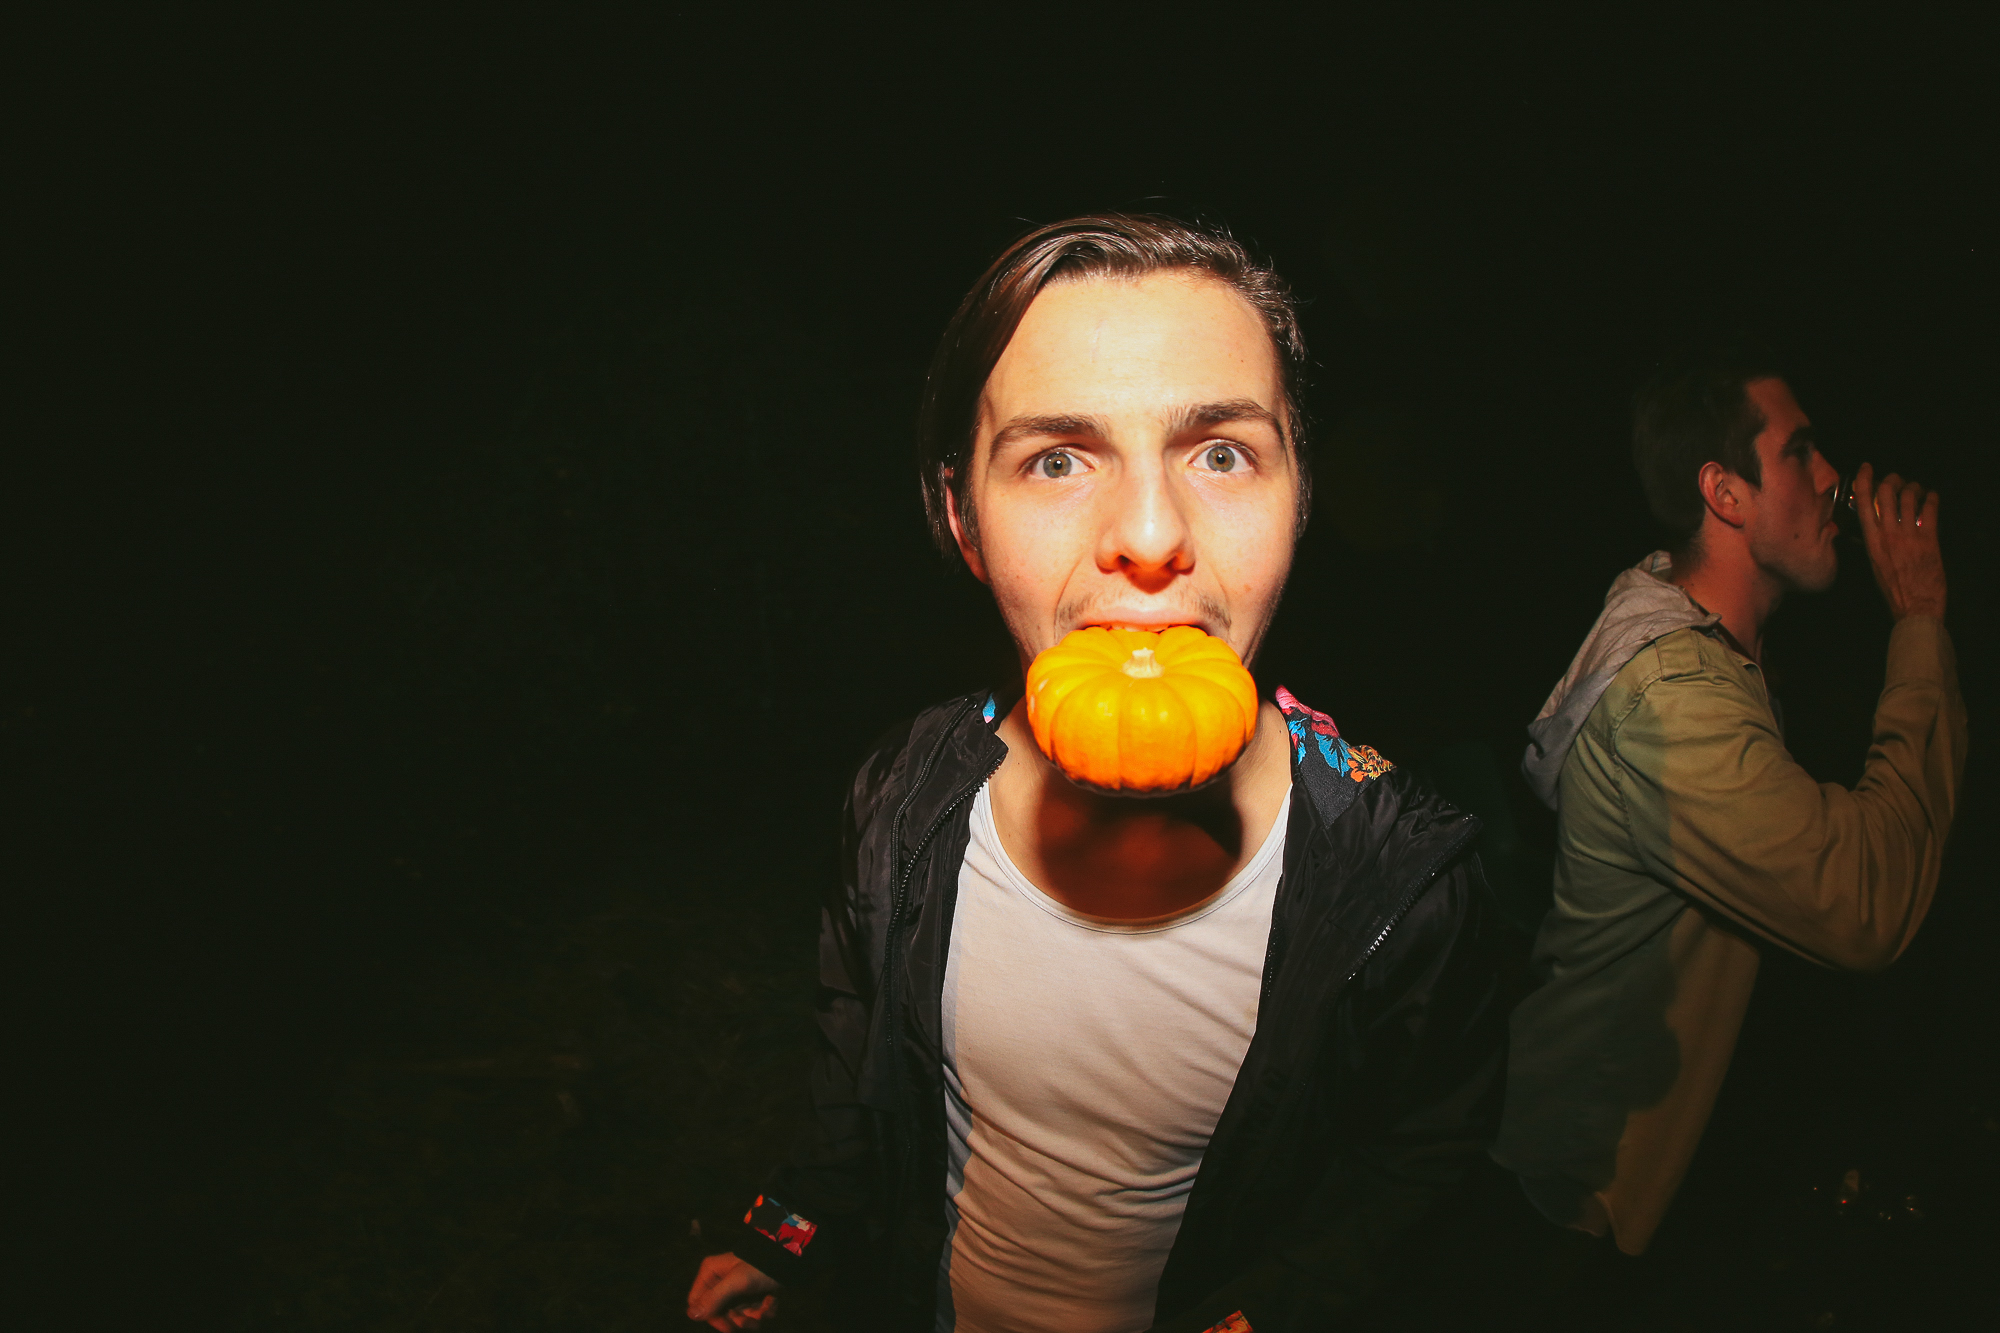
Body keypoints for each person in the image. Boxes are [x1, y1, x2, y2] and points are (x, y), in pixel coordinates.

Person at [684, 215, 1512, 1332]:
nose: (1151, 534)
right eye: (1058, 459)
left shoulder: (1406, 890)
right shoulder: (903, 798)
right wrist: (783, 1231)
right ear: (962, 519)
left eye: (1220, 452)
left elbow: (1415, 1159)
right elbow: (853, 1067)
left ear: (1299, 495)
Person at [1492, 343, 1969, 1258]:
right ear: (1725, 493)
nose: (1832, 478)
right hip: (1578, 1208)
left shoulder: (1706, 647)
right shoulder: (1673, 696)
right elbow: (1863, 904)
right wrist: (1918, 620)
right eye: (1801, 452)